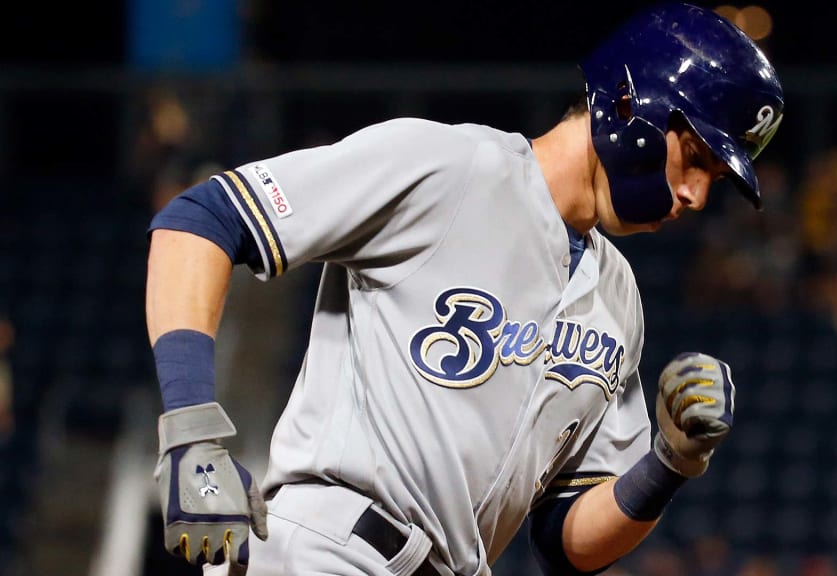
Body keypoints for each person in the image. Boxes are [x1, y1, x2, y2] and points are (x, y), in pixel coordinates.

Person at [144, 3, 784, 575]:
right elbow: (203, 218)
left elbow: (566, 540)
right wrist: (192, 431)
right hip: (329, 546)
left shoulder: (619, 298)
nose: (697, 195)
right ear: (628, 104)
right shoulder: (447, 168)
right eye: (696, 156)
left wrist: (669, 465)